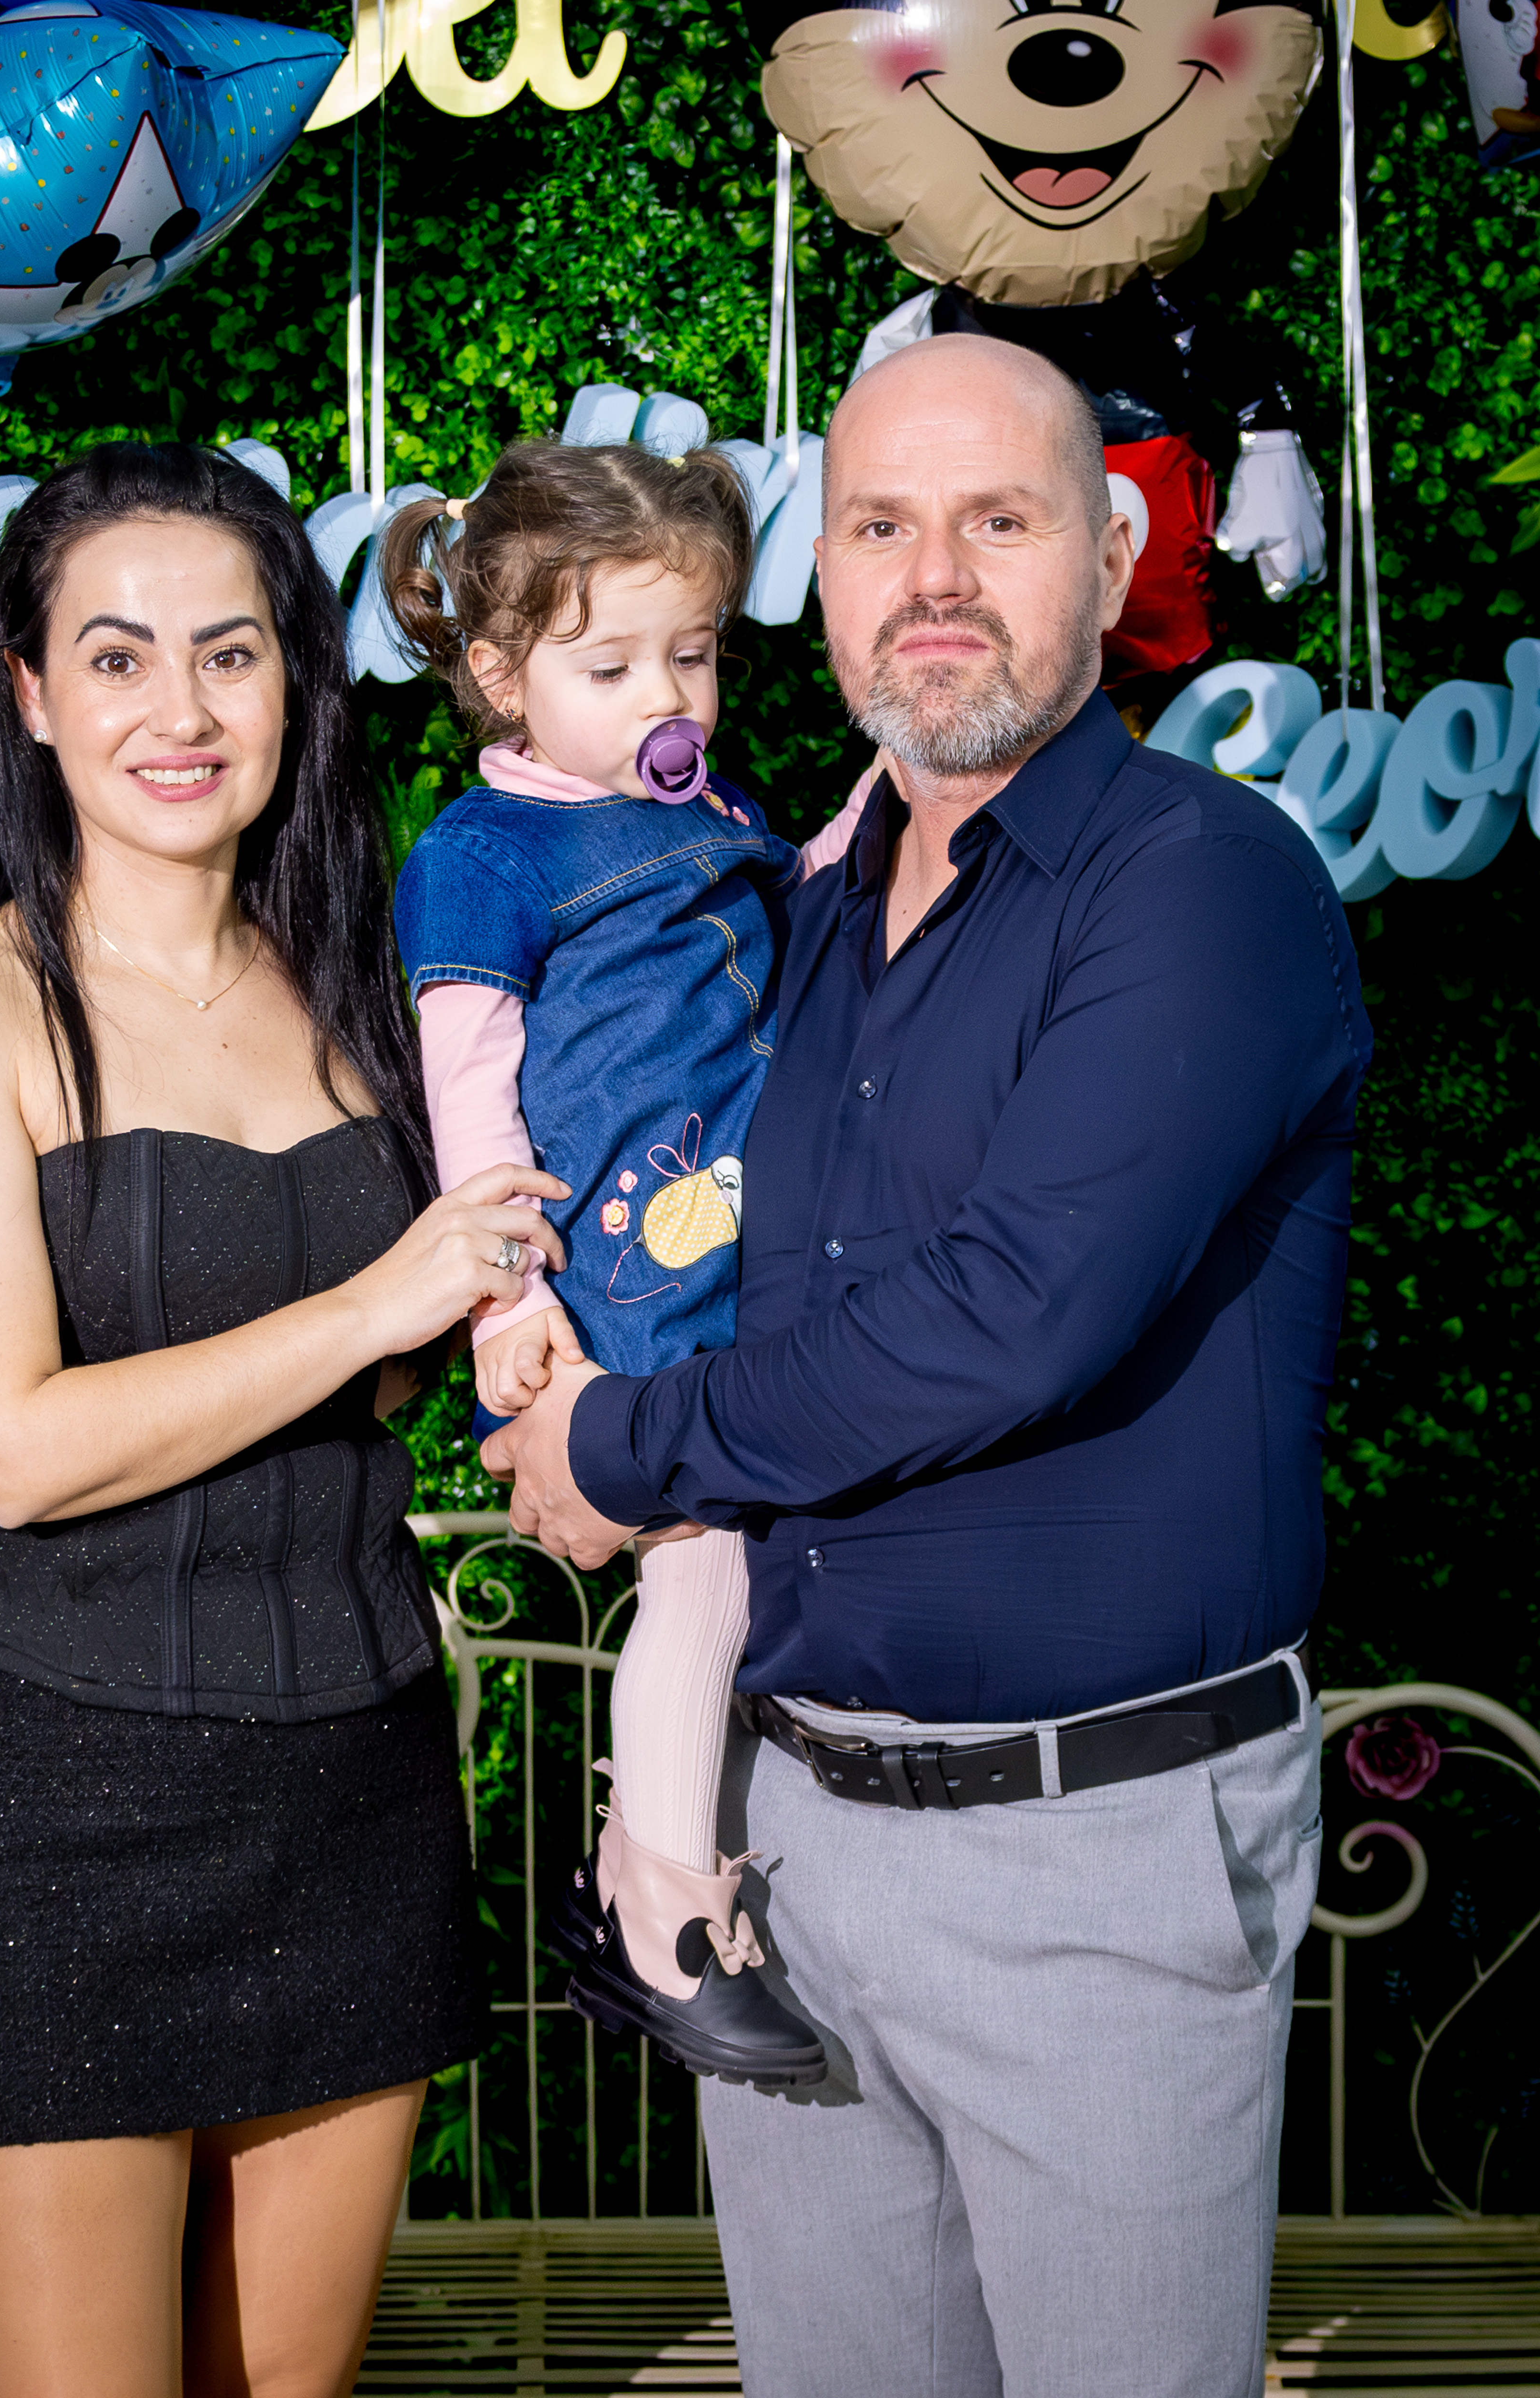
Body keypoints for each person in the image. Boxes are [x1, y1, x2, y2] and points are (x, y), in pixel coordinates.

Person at [484, 335, 1372, 2398]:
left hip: (1098, 1858)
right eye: (882, 526)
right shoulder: (783, 919)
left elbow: (1012, 1310)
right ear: (823, 575)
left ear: (1113, 555)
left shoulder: (1204, 883)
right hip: (789, 1847)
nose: (936, 577)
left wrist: (621, 1443)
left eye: (1000, 519)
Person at [0, 442, 569, 2398]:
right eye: (117, 656)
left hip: (357, 1791)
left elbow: (451, 1338)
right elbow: (7, 1447)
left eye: (229, 653)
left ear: (295, 686)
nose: (178, 710)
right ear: (30, 693)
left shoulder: (373, 987)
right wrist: (367, 1304)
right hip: (59, 1808)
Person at [381, 441, 867, 2089]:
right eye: (612, 668)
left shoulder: (705, 805)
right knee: (704, 1563)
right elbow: (468, 1096)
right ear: (500, 677)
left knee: (754, 1563)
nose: (670, 697)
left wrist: (879, 806)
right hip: (618, 1283)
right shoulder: (485, 855)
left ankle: (687, 1870)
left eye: (695, 654)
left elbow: (793, 922)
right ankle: (657, 1904)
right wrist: (506, 1307)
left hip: (749, 1251)